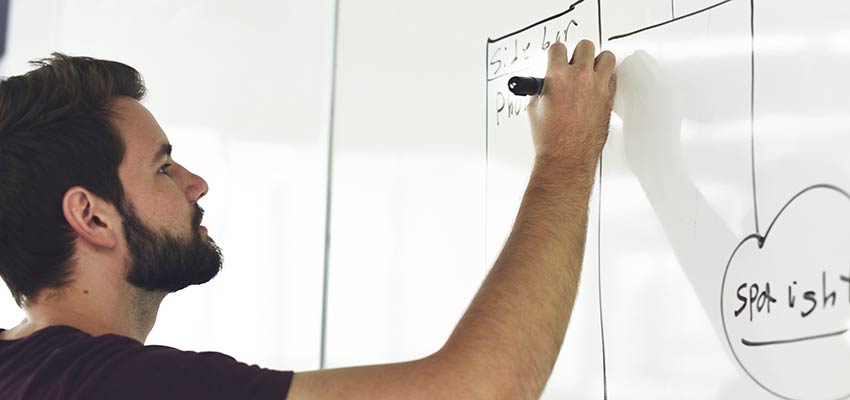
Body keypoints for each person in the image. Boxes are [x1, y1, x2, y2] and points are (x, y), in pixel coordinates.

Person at [0, 40, 615, 399]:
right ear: (92, 217)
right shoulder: (113, 386)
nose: (196, 183)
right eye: (162, 168)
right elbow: (480, 390)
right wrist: (565, 158)